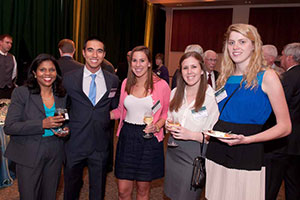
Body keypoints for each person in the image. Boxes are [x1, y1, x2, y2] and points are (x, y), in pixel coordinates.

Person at [205, 23, 291, 200]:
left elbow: (285, 126)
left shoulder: (267, 77)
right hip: (218, 149)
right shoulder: (225, 78)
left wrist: (248, 140)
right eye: (231, 42)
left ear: (254, 45)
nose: (235, 47)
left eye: (242, 41)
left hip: (248, 150)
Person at [4, 54, 69, 200]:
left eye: (52, 70)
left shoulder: (61, 94)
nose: (48, 74)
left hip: (55, 151)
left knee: (50, 195)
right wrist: (41, 124)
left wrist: (65, 130)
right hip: (28, 151)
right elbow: (10, 127)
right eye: (42, 70)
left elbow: (63, 120)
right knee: (29, 196)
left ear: (56, 73)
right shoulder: (21, 93)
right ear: (34, 72)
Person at [63, 36, 119, 200]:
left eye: (99, 51)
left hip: (100, 145)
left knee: (98, 191)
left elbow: (115, 108)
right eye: (90, 50)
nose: (95, 55)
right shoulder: (69, 79)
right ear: (83, 53)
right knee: (71, 189)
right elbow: (62, 108)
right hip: (75, 144)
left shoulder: (113, 80)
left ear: (104, 54)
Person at [111, 46, 170, 200]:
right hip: (127, 137)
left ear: (149, 63)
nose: (138, 64)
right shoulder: (126, 83)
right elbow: (119, 111)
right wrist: (98, 114)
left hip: (148, 139)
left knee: (143, 191)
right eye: (134, 60)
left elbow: (165, 113)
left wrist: (156, 126)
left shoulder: (161, 85)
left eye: (142, 60)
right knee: (123, 190)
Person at [164, 52, 219, 200]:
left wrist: (191, 135)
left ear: (202, 70)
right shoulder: (175, 93)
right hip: (173, 151)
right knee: (171, 195)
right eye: (185, 68)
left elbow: (214, 134)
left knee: (186, 195)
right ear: (180, 72)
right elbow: (169, 119)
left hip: (194, 154)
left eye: (193, 67)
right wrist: (168, 125)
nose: (189, 72)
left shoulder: (210, 96)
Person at [265, 43, 300, 200]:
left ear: (290, 58)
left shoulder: (287, 78)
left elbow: (277, 107)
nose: (281, 58)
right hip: (297, 145)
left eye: (283, 55)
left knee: (271, 187)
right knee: (294, 185)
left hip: (282, 143)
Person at [0, 34, 17, 98]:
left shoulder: (12, 57)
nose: (9, 45)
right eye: (7, 42)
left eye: (11, 43)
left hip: (8, 90)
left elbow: (14, 74)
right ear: (0, 42)